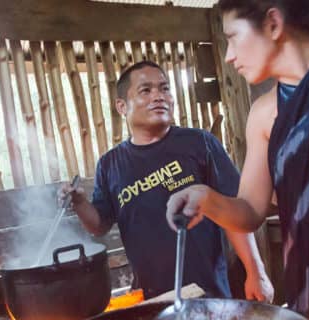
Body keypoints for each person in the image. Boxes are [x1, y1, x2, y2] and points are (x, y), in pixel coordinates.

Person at [61, 61, 273, 301]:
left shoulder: (199, 143)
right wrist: (78, 202)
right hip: (151, 299)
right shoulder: (110, 164)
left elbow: (236, 214)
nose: (159, 96)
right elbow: (99, 225)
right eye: (146, 90)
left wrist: (257, 272)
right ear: (122, 106)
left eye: (164, 88)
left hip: (208, 292)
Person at [166, 0, 309, 320]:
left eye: (233, 37)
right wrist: (206, 198)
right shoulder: (264, 114)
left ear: (274, 24)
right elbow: (250, 211)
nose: (228, 55)